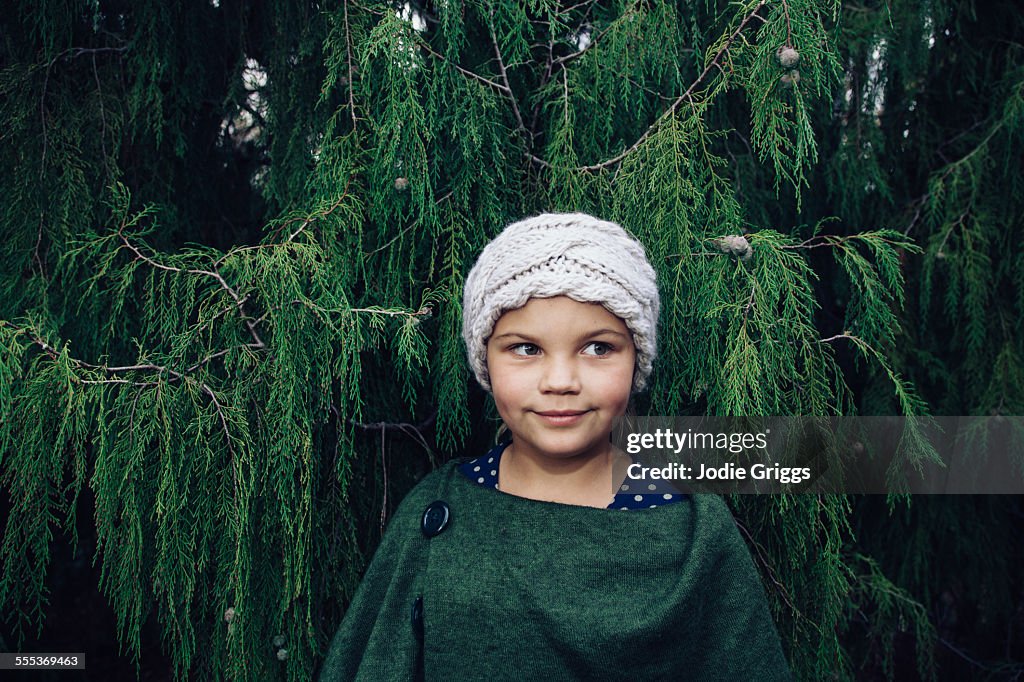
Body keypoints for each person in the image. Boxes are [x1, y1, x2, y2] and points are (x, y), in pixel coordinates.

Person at [319, 213, 792, 681]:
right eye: (526, 348)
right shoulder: (437, 512)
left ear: (637, 359)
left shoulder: (691, 524)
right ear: (485, 358)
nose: (561, 382)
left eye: (598, 348)